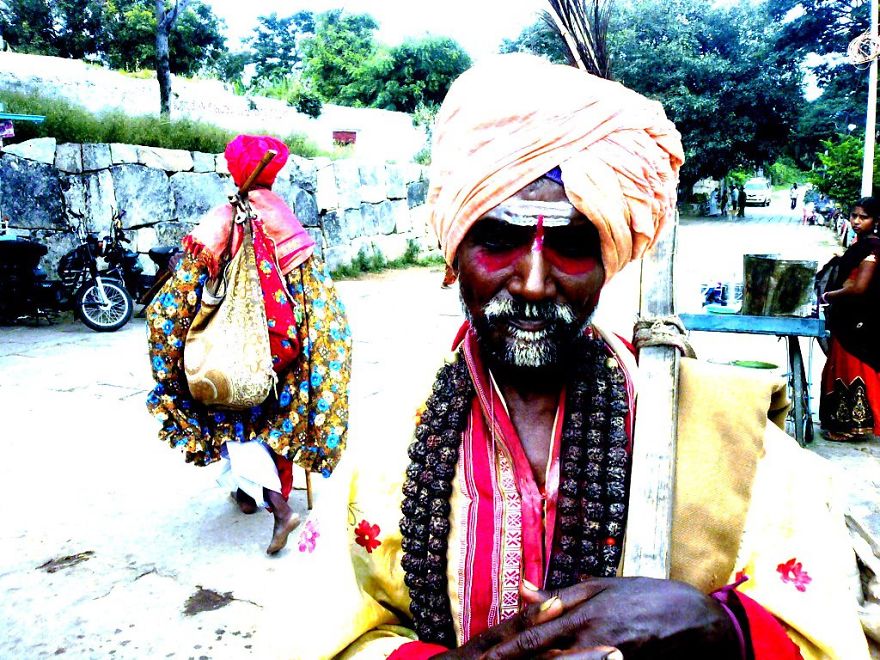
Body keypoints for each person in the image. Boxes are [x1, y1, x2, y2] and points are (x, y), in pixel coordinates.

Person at [285, 55, 870, 659]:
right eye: (499, 240)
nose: (535, 282)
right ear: (454, 251)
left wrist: (723, 631)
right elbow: (323, 630)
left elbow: (822, 625)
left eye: (569, 244)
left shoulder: (728, 437)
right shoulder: (393, 446)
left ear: (609, 256)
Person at [145, 135, 352, 555]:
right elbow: (318, 298)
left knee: (227, 415)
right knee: (271, 416)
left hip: (241, 350)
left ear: (235, 170)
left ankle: (278, 507)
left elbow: (181, 291)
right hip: (288, 348)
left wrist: (169, 343)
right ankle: (249, 492)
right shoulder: (287, 222)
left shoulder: (225, 219)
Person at [819, 196, 880, 440]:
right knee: (841, 364)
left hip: (859, 322)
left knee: (852, 366)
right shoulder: (861, 245)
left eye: (863, 217)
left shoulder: (873, 247)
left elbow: (859, 288)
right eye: (854, 216)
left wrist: (828, 295)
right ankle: (844, 423)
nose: (856, 221)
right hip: (849, 319)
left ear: (875, 221)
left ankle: (850, 427)